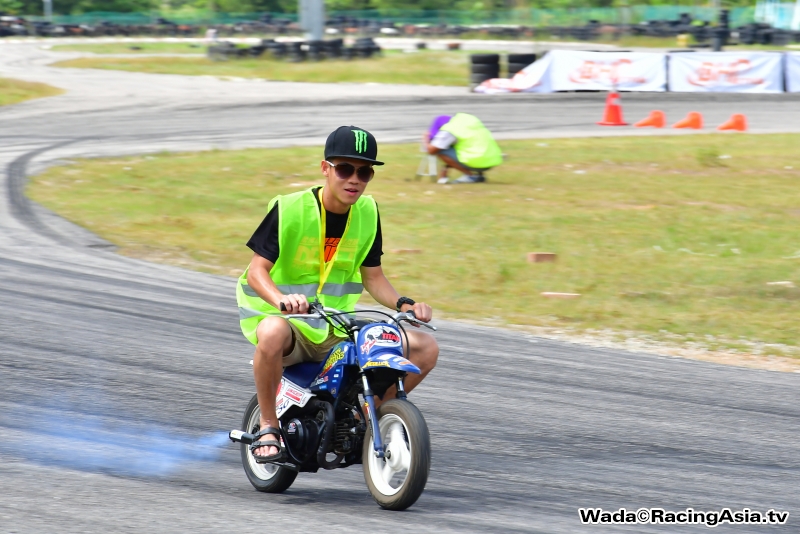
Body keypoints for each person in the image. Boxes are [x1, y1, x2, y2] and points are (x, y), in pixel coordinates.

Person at [236, 125, 439, 463]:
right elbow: (257, 272)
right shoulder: (290, 209)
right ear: (325, 169)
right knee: (271, 331)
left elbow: (373, 277)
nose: (354, 179)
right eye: (345, 169)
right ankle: (269, 426)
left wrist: (405, 303)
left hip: (333, 324)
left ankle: (369, 421)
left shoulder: (367, 214)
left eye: (365, 172)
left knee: (425, 347)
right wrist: (281, 302)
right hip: (286, 321)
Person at [424, 113, 503, 184]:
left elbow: (431, 151)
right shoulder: (468, 120)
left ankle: (470, 176)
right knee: (466, 145)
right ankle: (479, 175)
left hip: (477, 161)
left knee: (440, 150)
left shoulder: (448, 130)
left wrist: (425, 139)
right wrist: (446, 168)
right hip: (491, 160)